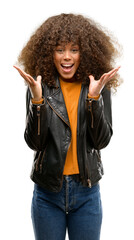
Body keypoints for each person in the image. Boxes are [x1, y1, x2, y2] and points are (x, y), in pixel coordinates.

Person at [14, 13, 121, 240]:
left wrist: (93, 100)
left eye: (74, 49)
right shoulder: (39, 87)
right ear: (49, 52)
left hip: (87, 193)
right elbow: (35, 143)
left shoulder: (97, 86)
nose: (67, 57)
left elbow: (101, 141)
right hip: (47, 193)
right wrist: (37, 102)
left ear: (86, 52)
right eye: (60, 49)